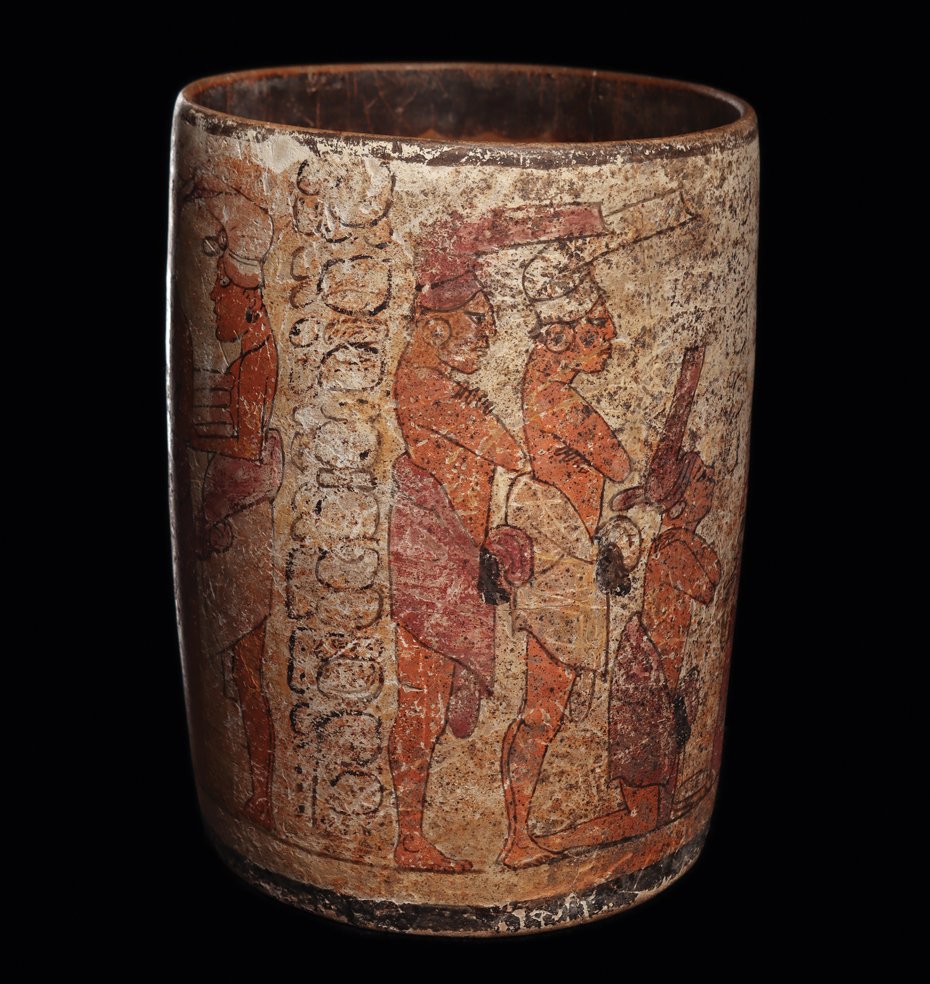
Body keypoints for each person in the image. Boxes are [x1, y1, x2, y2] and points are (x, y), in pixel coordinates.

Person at [184, 179, 282, 831]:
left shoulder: (255, 361)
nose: (215, 296)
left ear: (249, 301)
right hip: (235, 522)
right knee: (238, 670)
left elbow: (247, 451)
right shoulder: (248, 353)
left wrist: (197, 437)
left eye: (223, 286)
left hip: (242, 530)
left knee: (247, 672)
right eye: (216, 283)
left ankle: (263, 799)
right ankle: (255, 796)